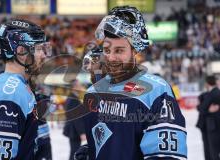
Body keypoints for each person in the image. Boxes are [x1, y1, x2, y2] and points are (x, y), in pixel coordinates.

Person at [75, 6, 187, 160]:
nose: (111, 57)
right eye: (107, 50)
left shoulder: (156, 91)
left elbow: (165, 156)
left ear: (135, 50)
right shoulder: (93, 92)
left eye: (119, 50)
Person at [0, 19, 51, 159]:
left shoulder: (5, 82)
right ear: (21, 51)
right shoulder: (11, 94)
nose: (44, 55)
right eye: (38, 49)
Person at [197, 75, 220, 160]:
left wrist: (205, 109)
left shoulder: (214, 93)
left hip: (212, 126)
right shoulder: (208, 93)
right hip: (209, 125)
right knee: (210, 150)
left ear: (207, 83)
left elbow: (202, 108)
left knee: (212, 151)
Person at [63, 80, 87, 160]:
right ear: (74, 87)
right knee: (74, 151)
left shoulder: (72, 97)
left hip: (73, 129)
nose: (81, 87)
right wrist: (82, 132)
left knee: (74, 150)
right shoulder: (73, 99)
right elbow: (76, 118)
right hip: (74, 130)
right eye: (79, 85)